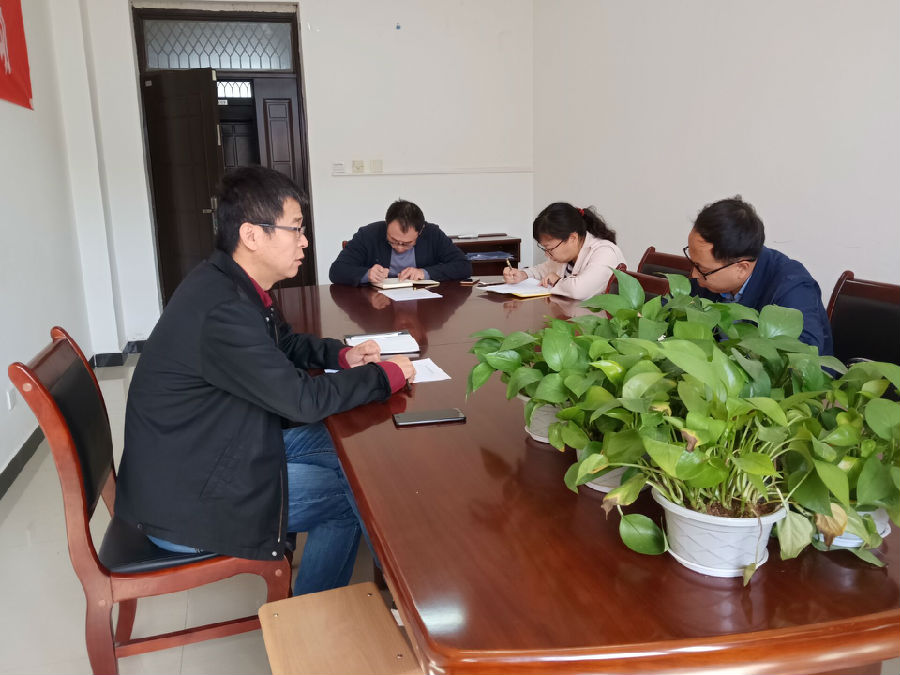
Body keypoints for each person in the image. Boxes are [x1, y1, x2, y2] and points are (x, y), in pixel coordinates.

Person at [115, 166, 415, 596]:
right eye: (296, 229)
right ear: (252, 235)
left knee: (347, 449)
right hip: (188, 497)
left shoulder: (229, 284)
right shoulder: (223, 310)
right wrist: (385, 375)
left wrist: (341, 355)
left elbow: (283, 343)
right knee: (348, 497)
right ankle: (321, 618)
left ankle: (398, 579)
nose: (305, 241)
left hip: (212, 448)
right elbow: (301, 401)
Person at [684, 195, 833, 355]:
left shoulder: (792, 288)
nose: (694, 275)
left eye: (702, 269)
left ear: (741, 268)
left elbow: (803, 358)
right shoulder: (710, 272)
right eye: (693, 263)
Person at [329, 199, 472, 285]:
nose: (399, 248)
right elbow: (337, 271)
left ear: (420, 232)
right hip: (378, 306)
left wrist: (425, 273)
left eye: (407, 243)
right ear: (387, 225)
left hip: (423, 305)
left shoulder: (432, 234)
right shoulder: (369, 234)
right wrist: (367, 274)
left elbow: (463, 266)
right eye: (393, 240)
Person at [502, 202, 625, 300]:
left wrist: (557, 281)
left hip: (600, 321)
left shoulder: (605, 252)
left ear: (572, 238)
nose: (547, 254)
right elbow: (544, 270)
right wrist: (522, 275)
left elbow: (579, 290)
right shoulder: (568, 255)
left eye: (550, 248)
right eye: (545, 248)